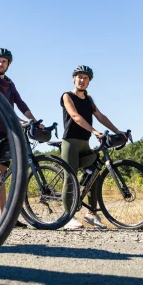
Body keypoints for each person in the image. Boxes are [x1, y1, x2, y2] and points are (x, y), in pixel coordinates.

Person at [0, 48, 40, 229]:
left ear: (8, 64)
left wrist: (33, 121)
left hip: (7, 130)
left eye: (4, 61)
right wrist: (17, 119)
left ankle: (6, 217)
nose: (0, 63)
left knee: (1, 175)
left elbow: (20, 102)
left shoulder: (10, 83)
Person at [60, 65, 125, 230]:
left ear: (89, 81)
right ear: (73, 79)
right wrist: (94, 131)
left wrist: (118, 132)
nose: (82, 80)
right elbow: (75, 116)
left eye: (85, 78)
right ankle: (67, 217)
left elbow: (100, 116)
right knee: (71, 178)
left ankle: (92, 213)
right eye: (79, 77)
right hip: (71, 143)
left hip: (85, 143)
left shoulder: (88, 99)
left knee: (94, 173)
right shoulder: (67, 96)